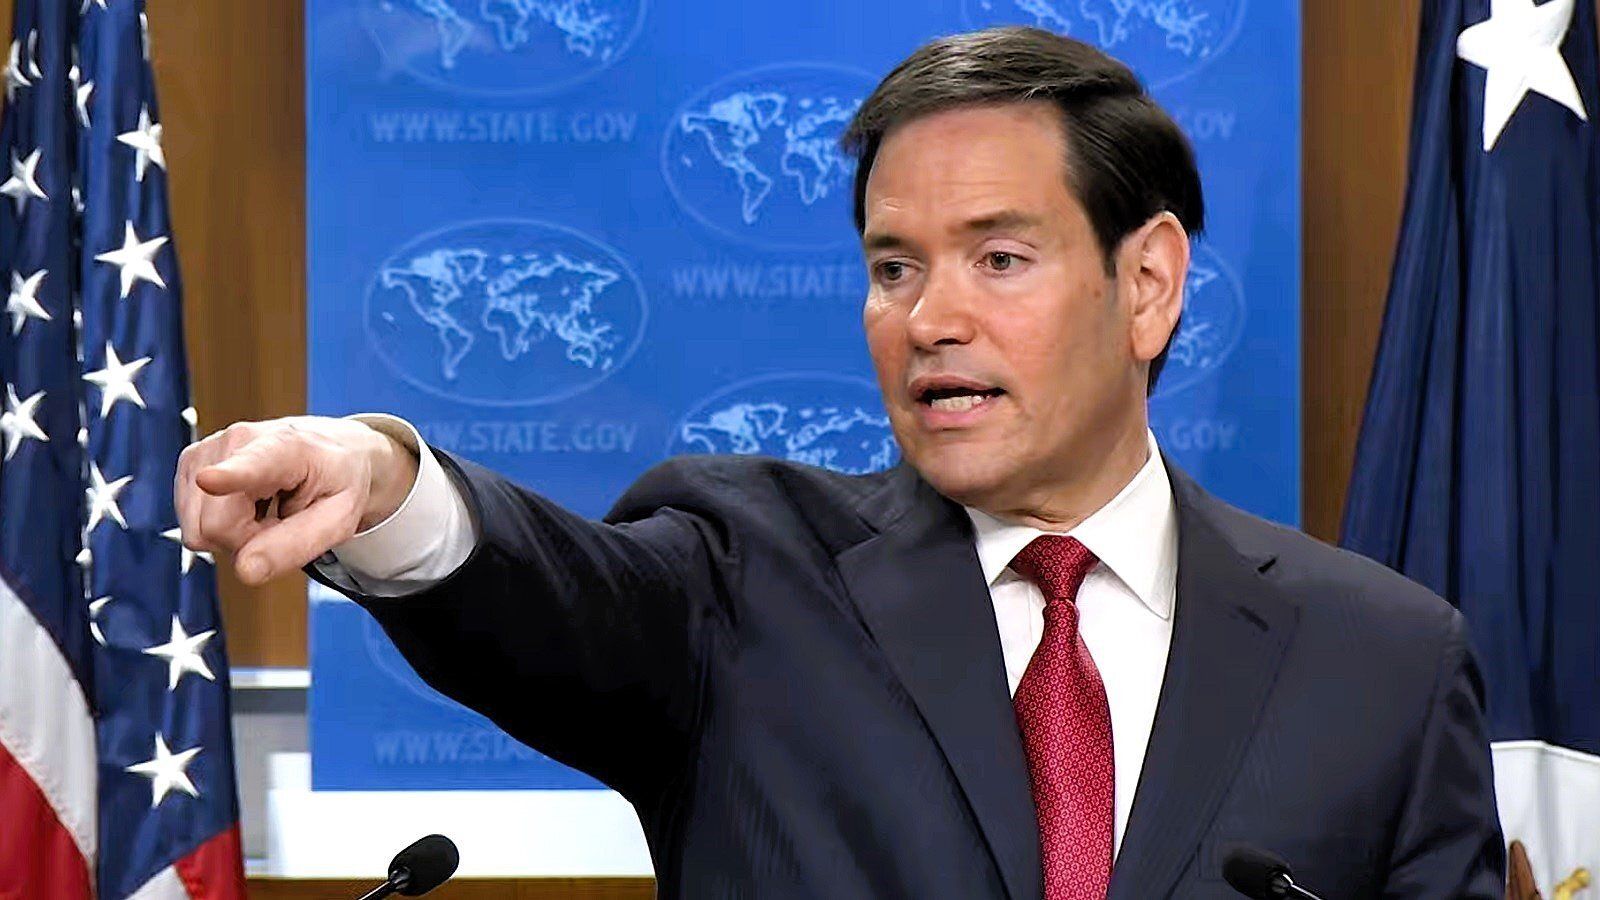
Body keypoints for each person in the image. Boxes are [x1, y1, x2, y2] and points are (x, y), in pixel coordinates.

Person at [175, 27, 1505, 899]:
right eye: (893, 267)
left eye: (999, 257)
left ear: (1147, 283)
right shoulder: (744, 579)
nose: (930, 319)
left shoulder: (1384, 662)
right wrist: (389, 483)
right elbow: (554, 594)